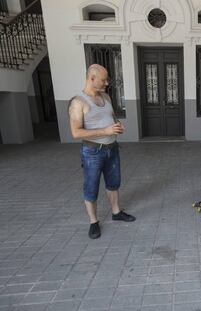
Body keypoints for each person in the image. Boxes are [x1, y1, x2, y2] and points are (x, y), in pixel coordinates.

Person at [68, 64, 136, 239]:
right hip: (92, 152)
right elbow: (76, 132)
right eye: (103, 79)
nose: (106, 83)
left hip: (111, 149)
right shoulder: (78, 102)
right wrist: (104, 131)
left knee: (114, 183)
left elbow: (112, 117)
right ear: (91, 78)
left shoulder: (105, 97)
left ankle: (116, 212)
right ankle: (93, 222)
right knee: (91, 187)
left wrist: (117, 125)